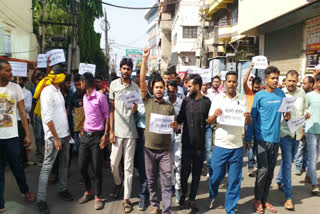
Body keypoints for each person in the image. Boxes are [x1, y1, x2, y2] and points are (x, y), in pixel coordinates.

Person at [245, 66, 291, 213]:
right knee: (263, 170)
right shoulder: (259, 96)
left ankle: (265, 200)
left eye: (277, 78)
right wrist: (248, 138)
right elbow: (253, 118)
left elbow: (285, 114)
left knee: (270, 171)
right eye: (273, 78)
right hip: (261, 139)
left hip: (275, 139)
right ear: (266, 80)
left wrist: (287, 116)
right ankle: (257, 199)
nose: (275, 80)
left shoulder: (281, 94)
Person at [207, 71, 251, 214]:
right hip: (221, 145)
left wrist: (248, 118)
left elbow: (248, 122)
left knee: (234, 181)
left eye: (234, 81)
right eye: (229, 81)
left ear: (237, 83)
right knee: (215, 177)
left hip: (237, 146)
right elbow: (209, 120)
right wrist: (215, 115)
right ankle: (213, 194)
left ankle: (230, 208)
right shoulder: (218, 98)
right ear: (225, 83)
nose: (232, 84)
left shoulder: (242, 99)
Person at [140, 48, 177, 214]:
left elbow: (174, 127)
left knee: (166, 181)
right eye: (157, 87)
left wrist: (176, 127)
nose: (160, 90)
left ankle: (167, 210)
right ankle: (155, 206)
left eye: (162, 87)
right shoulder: (148, 102)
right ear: (152, 89)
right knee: (151, 180)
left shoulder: (170, 107)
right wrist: (144, 59)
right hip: (149, 150)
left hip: (165, 152)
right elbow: (141, 82)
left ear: (165, 89)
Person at [36, 65, 73, 214]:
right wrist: (56, 138)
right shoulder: (47, 92)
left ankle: (62, 189)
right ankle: (41, 199)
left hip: (64, 135)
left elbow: (61, 114)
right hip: (53, 138)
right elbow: (47, 118)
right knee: (47, 168)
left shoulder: (58, 91)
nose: (65, 78)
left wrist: (67, 132)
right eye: (64, 75)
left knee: (64, 164)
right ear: (59, 77)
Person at [0, 60, 35, 213]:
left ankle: (25, 190)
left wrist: (27, 134)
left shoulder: (16, 88)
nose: (11, 73)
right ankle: (1, 203)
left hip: (12, 137)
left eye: (10, 70)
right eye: (7, 70)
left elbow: (22, 112)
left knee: (17, 167)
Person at [275, 70, 309, 210]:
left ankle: (279, 180)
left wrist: (305, 120)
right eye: (289, 81)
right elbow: (276, 115)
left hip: (297, 133)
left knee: (289, 161)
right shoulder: (280, 94)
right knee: (288, 164)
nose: (291, 83)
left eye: (294, 81)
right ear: (285, 81)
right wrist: (285, 116)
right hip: (284, 133)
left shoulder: (301, 93)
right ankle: (288, 197)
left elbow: (305, 110)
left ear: (297, 81)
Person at [177, 74, 211, 212]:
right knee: (184, 174)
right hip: (186, 145)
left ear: (197, 86)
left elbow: (210, 120)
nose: (187, 88)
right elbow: (179, 119)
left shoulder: (207, 102)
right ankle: (184, 193)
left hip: (199, 147)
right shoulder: (185, 101)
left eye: (190, 86)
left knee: (196, 175)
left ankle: (192, 199)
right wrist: (174, 123)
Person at [109, 58, 139, 213]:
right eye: (124, 68)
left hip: (131, 133)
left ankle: (126, 199)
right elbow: (112, 110)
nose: (126, 71)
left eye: (128, 69)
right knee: (113, 163)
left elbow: (135, 111)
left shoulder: (135, 88)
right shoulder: (114, 85)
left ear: (131, 70)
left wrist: (134, 107)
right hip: (117, 132)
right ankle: (118, 182)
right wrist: (111, 131)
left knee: (128, 167)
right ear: (120, 69)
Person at [78, 72, 109, 210]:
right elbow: (87, 114)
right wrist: (82, 128)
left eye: (81, 82)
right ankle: (88, 190)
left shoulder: (101, 97)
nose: (79, 85)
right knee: (81, 166)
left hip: (97, 137)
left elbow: (107, 116)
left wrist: (106, 134)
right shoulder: (84, 97)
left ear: (86, 82)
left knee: (96, 168)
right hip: (85, 136)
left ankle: (98, 196)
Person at [164, 80, 183, 202]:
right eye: (169, 91)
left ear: (177, 91)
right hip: (166, 136)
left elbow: (184, 120)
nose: (171, 93)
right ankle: (170, 185)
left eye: (173, 91)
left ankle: (177, 187)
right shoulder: (163, 101)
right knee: (168, 163)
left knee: (178, 162)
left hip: (178, 135)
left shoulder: (181, 103)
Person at [243, 63, 263, 176]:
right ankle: (251, 166)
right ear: (252, 85)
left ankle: (257, 165)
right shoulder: (248, 91)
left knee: (258, 143)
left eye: (258, 87)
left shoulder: (261, 93)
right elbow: (244, 81)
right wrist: (250, 69)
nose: (256, 89)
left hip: (259, 121)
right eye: (255, 87)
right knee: (249, 143)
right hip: (248, 121)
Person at [295, 76, 314, 175]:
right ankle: (298, 166)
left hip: (312, 126)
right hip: (302, 124)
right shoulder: (302, 95)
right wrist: (301, 127)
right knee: (300, 146)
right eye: (302, 83)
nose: (302, 85)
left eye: (304, 83)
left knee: (308, 147)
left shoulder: (315, 95)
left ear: (311, 84)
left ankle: (305, 165)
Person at [305, 72, 320, 194]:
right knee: (313, 158)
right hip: (311, 131)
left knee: (316, 158)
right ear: (317, 83)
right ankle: (315, 184)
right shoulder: (309, 96)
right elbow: (302, 110)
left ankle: (308, 175)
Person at [68, 74, 85, 155]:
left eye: (79, 84)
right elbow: (68, 111)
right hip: (77, 129)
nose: (78, 87)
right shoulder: (73, 96)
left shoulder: (88, 94)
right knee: (79, 150)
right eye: (76, 85)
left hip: (87, 129)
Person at [17, 77, 33, 166]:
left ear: (25, 82)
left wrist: (19, 102)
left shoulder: (27, 93)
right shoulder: (11, 92)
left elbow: (28, 108)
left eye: (20, 80)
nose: (18, 82)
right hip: (12, 120)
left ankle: (23, 161)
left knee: (22, 142)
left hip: (22, 120)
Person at [201, 82, 214, 177]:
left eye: (206, 85)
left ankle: (209, 169)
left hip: (208, 125)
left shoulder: (211, 96)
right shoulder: (194, 96)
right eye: (203, 85)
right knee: (199, 148)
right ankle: (199, 167)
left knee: (209, 148)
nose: (204, 87)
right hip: (198, 127)